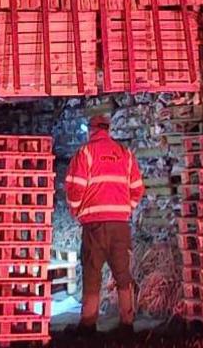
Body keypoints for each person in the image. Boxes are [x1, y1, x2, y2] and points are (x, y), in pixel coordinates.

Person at [64, 113, 144, 335]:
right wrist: (125, 208)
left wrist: (77, 211)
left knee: (92, 273)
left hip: (94, 226)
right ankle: (127, 323)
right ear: (108, 129)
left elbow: (75, 187)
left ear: (91, 130)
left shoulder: (85, 153)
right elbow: (137, 187)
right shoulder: (125, 154)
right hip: (120, 225)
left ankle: (88, 324)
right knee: (122, 275)